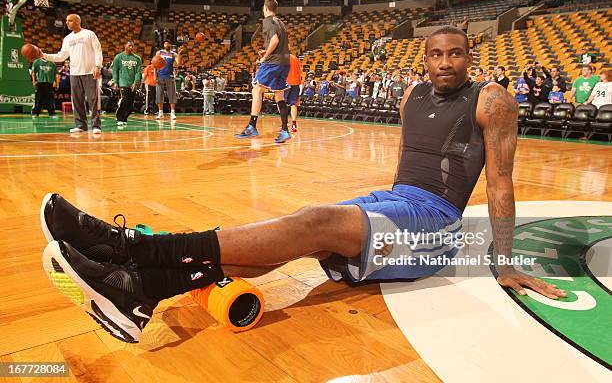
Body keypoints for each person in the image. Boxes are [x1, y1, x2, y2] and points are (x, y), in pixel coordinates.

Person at [41, 26, 565, 343]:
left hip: (437, 224)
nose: (445, 62)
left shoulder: (492, 98)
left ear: (469, 56)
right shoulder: (412, 97)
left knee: (314, 222)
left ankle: (131, 248)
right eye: (436, 54)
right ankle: (143, 292)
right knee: (301, 226)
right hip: (398, 202)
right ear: (423, 58)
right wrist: (374, 218)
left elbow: (499, 183)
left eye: (455, 53)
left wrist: (505, 259)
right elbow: (408, 167)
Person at [235, 0, 292, 144]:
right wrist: (267, 51)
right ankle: (285, 130)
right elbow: (279, 43)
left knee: (257, 90)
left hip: (272, 62)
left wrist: (265, 57)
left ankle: (252, 127)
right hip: (284, 62)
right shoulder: (281, 22)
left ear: (265, 8)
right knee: (279, 94)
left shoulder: (267, 21)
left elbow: (274, 40)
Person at [41, 14, 103, 134]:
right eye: (67, 21)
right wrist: (45, 56)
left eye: (69, 20)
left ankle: (96, 126)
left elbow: (98, 50)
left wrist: (97, 66)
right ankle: (80, 125)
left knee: (93, 100)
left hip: (90, 71)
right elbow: (62, 56)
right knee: (77, 100)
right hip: (74, 73)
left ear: (78, 21)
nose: (67, 23)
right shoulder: (67, 39)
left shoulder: (89, 34)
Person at [111, 41, 142, 127]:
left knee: (130, 103)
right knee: (125, 99)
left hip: (132, 83)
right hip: (123, 82)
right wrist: (115, 82)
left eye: (132, 46)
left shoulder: (137, 58)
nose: (131, 47)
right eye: (129, 46)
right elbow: (115, 70)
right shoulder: (118, 57)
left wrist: (136, 82)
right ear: (125, 46)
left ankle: (124, 118)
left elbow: (138, 71)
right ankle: (119, 117)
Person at [155, 40, 183, 120]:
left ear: (170, 45)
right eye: (165, 43)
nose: (167, 44)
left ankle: (172, 113)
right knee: (159, 94)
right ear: (164, 45)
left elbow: (178, 64)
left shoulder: (173, 54)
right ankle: (160, 113)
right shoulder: (159, 53)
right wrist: (155, 76)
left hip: (170, 76)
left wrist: (179, 54)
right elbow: (154, 64)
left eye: (168, 43)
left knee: (172, 94)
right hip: (160, 75)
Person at [285, 53, 302, 133]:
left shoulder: (283, 57)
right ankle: (294, 124)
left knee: (281, 103)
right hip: (296, 83)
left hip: (286, 82)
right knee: (293, 104)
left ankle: (284, 122)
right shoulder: (295, 58)